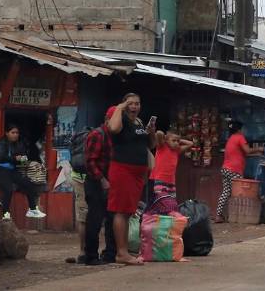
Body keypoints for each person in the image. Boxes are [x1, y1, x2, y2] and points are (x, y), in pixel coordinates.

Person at [107, 93, 156, 265]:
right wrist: (120, 107)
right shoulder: (119, 117)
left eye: (137, 103)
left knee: (128, 211)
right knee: (121, 210)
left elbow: (151, 145)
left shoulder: (139, 122)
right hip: (123, 169)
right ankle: (121, 253)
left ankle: (125, 251)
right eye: (131, 103)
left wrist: (151, 132)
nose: (134, 106)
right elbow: (113, 129)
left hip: (137, 173)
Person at [83, 106, 118, 266]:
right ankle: (91, 256)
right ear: (107, 119)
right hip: (96, 182)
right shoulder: (97, 134)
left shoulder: (116, 137)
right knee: (95, 220)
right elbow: (90, 161)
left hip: (112, 182)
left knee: (112, 219)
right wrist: (102, 180)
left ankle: (110, 254)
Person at [0, 124, 47, 220]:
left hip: (11, 170)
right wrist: (15, 158)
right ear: (7, 133)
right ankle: (5, 214)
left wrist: (23, 159)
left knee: (28, 182)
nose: (15, 135)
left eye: (17, 133)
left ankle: (32, 209)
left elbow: (22, 156)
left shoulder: (18, 144)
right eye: (13, 132)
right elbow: (1, 157)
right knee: (8, 188)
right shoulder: (1, 143)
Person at [216, 120, 263, 223]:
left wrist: (255, 153)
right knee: (240, 193)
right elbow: (247, 150)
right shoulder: (240, 137)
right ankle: (239, 216)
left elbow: (242, 153)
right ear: (239, 129)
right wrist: (259, 148)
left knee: (226, 192)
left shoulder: (231, 139)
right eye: (242, 129)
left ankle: (218, 215)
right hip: (234, 170)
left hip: (225, 169)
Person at [149, 130, 193, 212]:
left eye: (178, 141)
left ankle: (169, 218)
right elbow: (159, 133)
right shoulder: (162, 147)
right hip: (160, 181)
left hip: (172, 183)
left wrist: (178, 139)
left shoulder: (177, 150)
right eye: (174, 140)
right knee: (161, 202)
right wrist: (166, 137)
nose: (176, 143)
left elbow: (190, 143)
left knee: (172, 203)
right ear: (166, 140)